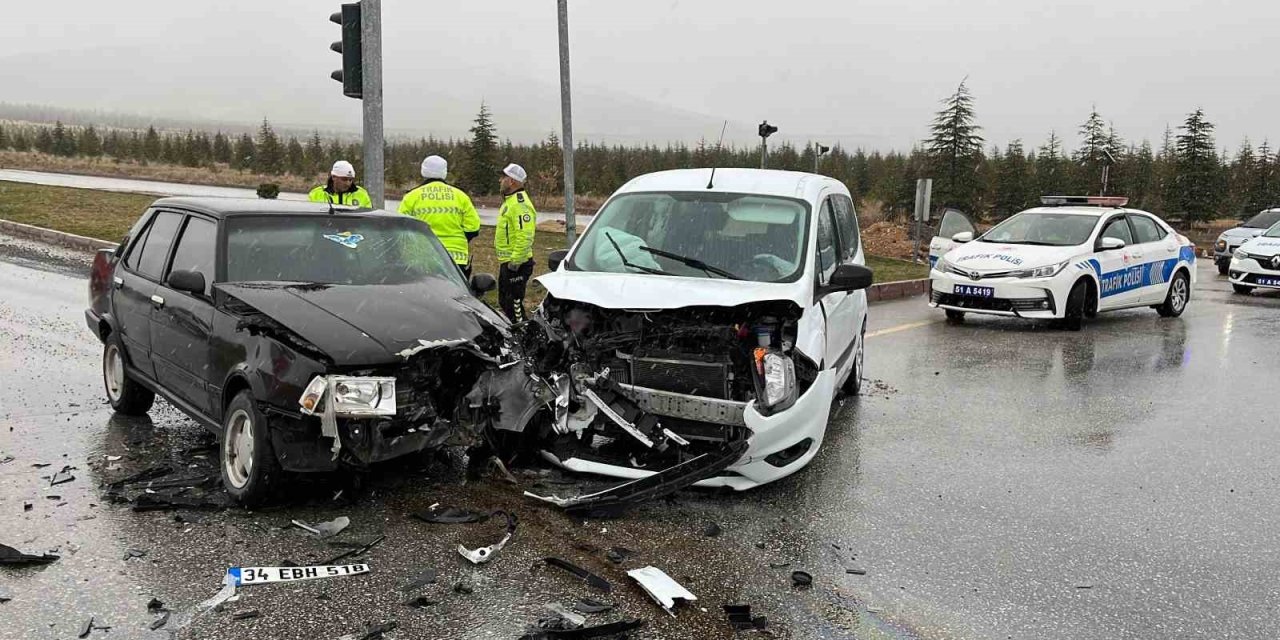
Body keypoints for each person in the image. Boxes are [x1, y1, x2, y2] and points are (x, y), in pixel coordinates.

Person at [398, 155, 481, 277]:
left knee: (424, 295)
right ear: (445, 172)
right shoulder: (460, 196)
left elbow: (401, 227)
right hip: (455, 260)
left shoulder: (412, 196)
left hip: (422, 259)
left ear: (423, 171)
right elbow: (473, 228)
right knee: (455, 295)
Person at [495, 163, 537, 322]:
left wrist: (516, 262)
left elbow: (525, 234)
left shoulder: (520, 204)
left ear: (511, 181)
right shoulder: (510, 202)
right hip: (507, 262)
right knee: (505, 303)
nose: (500, 180)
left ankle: (525, 337)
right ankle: (515, 335)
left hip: (516, 265)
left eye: (503, 177)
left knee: (514, 306)